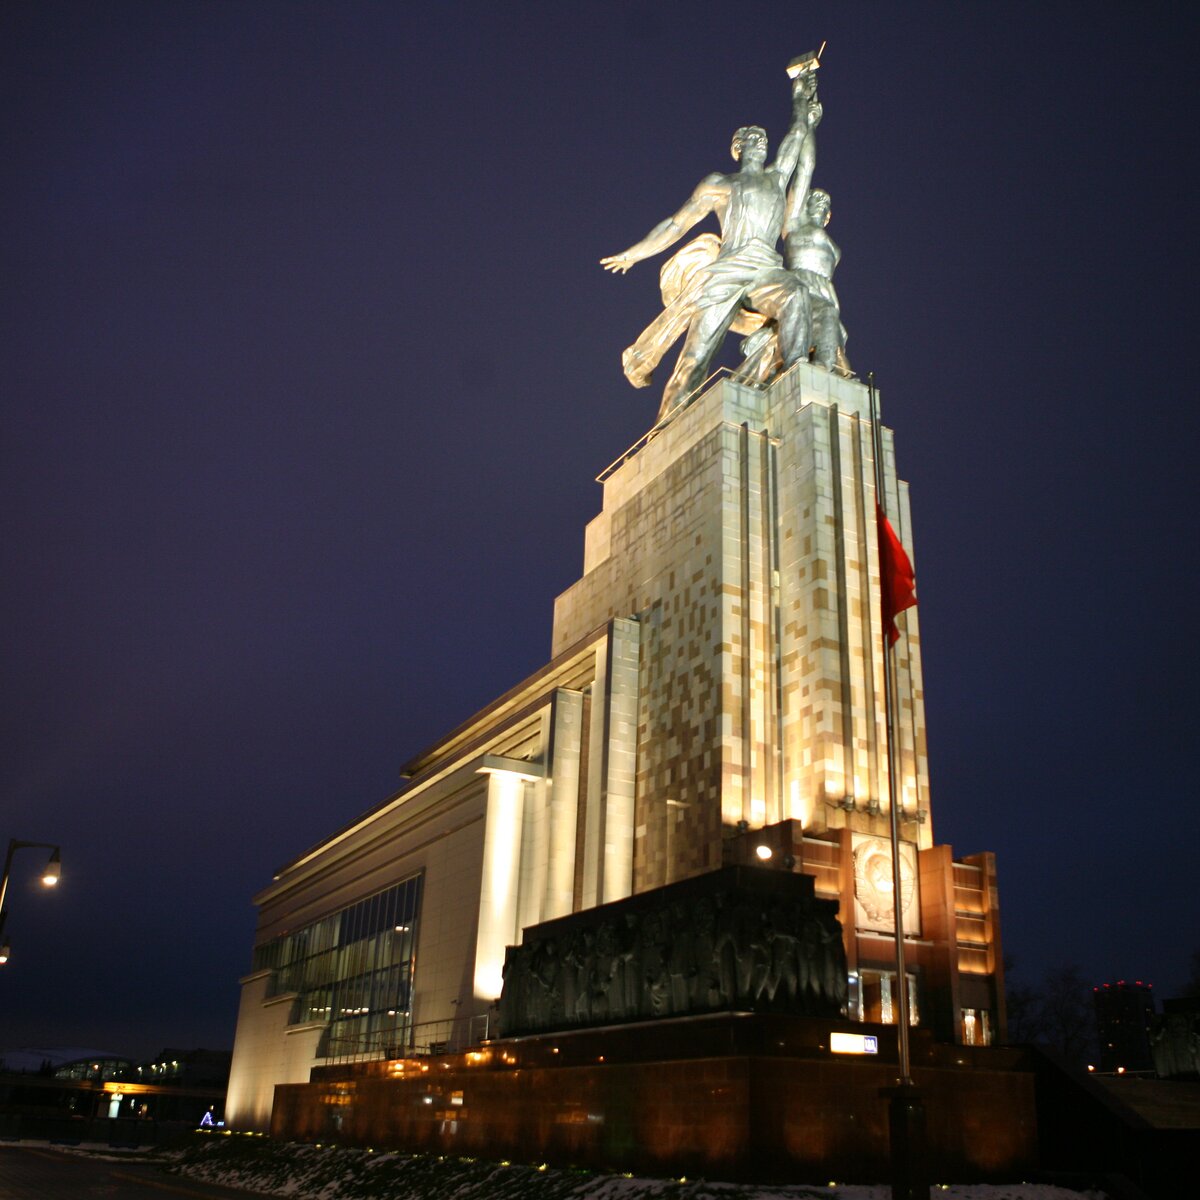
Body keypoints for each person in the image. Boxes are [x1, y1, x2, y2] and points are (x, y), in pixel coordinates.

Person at [602, 68, 821, 419]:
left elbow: (797, 134)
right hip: (727, 271)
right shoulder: (719, 184)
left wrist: (801, 94)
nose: (760, 140)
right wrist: (635, 253)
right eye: (752, 137)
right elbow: (676, 224)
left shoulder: (777, 178)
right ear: (738, 148)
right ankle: (667, 423)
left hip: (766, 270)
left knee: (796, 295)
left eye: (763, 137)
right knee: (696, 353)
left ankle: (796, 372)